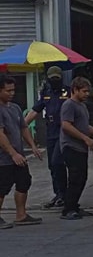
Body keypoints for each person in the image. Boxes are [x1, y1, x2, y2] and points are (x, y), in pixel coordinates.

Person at [59, 77, 93, 221]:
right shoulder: (69, 105)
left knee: (82, 178)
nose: (86, 94)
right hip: (71, 147)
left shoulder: (82, 106)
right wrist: (85, 138)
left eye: (88, 91)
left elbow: (84, 125)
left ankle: (74, 205)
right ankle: (68, 209)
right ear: (74, 90)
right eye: (83, 91)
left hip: (81, 148)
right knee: (75, 178)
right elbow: (66, 126)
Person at [0, 74, 43, 228]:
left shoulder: (15, 108)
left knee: (24, 182)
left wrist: (32, 145)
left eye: (13, 90)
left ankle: (21, 215)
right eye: (7, 91)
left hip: (19, 154)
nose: (11, 93)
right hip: (4, 157)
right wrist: (13, 153)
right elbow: (1, 134)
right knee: (2, 186)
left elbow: (23, 128)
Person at [24, 65, 69, 209]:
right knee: (52, 166)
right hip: (51, 133)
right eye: (52, 78)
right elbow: (35, 110)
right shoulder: (46, 93)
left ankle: (63, 194)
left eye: (57, 78)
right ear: (48, 79)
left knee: (58, 163)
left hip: (64, 133)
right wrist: (21, 125)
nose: (55, 80)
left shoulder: (68, 91)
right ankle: (58, 194)